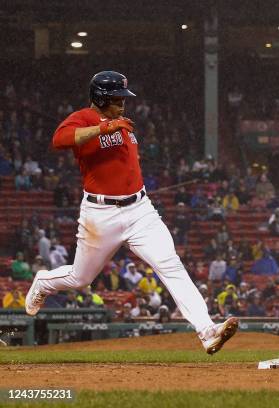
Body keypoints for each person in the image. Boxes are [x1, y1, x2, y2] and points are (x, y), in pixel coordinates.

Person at [24, 71, 237, 355]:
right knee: (81, 278)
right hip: (101, 214)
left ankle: (207, 331)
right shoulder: (85, 119)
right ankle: (44, 282)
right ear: (100, 97)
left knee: (170, 265)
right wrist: (104, 129)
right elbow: (59, 139)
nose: (123, 104)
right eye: (117, 98)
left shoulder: (122, 123)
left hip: (140, 210)